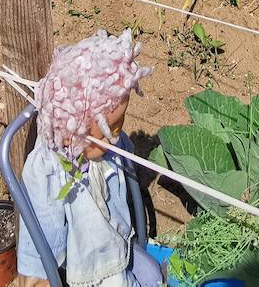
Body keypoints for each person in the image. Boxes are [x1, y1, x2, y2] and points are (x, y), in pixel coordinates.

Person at [16, 30, 162, 287]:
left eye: (118, 126)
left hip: (116, 242)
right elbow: (42, 225)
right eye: (109, 130)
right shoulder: (49, 169)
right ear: (73, 128)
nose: (116, 137)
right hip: (90, 265)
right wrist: (39, 274)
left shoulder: (103, 147)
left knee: (153, 274)